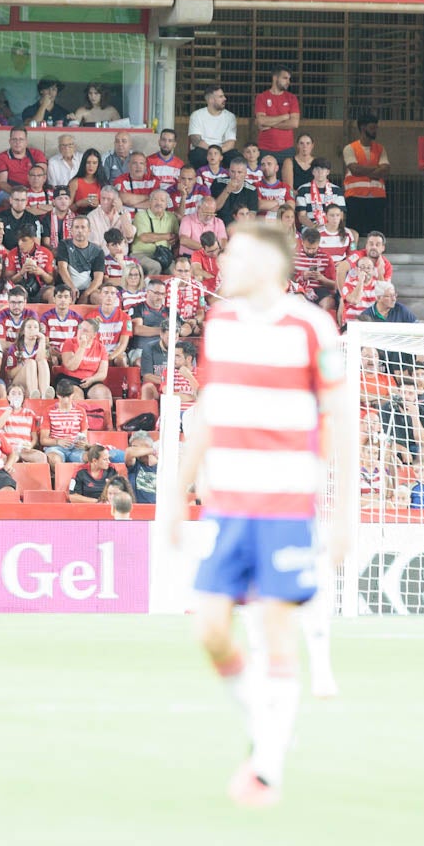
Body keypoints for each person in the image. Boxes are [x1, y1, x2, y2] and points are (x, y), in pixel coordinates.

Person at [164, 220, 343, 808]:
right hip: (225, 506)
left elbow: (338, 421)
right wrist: (177, 493)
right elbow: (211, 411)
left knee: (275, 630)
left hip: (286, 505)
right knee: (210, 631)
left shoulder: (310, 327)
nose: (223, 264)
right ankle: (264, 732)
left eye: (235, 256)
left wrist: (342, 516)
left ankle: (266, 769)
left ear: (268, 265)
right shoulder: (221, 324)